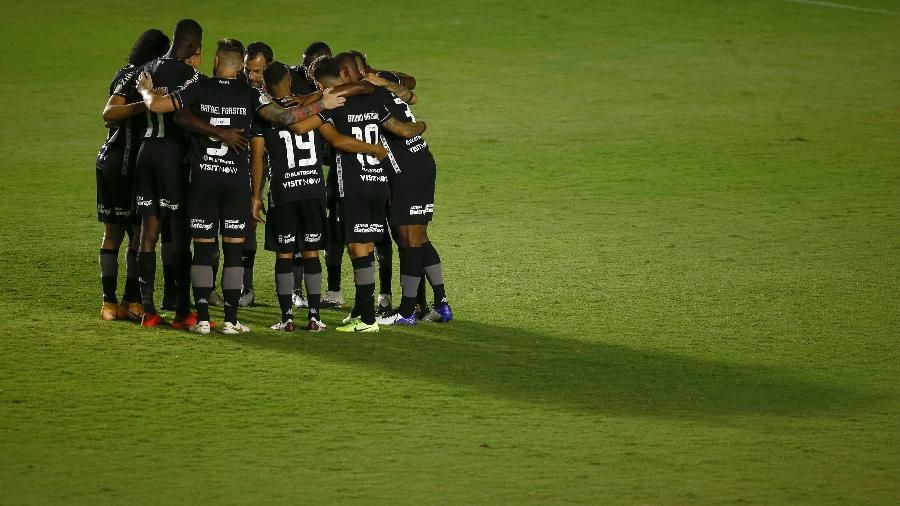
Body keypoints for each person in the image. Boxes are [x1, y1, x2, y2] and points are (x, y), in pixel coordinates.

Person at [138, 40, 348, 332]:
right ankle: (231, 320)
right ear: (239, 68)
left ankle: (201, 320)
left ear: (215, 62)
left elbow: (161, 106)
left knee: (203, 250)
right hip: (236, 184)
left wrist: (145, 90)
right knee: (234, 252)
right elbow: (286, 117)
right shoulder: (251, 95)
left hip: (202, 182)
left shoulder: (198, 86)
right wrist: (322, 103)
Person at [295, 53, 426, 332]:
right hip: (379, 182)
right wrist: (421, 127)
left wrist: (306, 105)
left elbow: (330, 137)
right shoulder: (375, 99)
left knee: (358, 249)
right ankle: (362, 312)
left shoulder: (332, 105)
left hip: (354, 185)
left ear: (325, 81)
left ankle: (366, 319)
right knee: (366, 247)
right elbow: (403, 129)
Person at [254, 62, 386, 331]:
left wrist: (255, 195)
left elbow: (257, 158)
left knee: (285, 256)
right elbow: (326, 135)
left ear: (265, 86)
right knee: (311, 251)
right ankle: (315, 317)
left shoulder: (266, 115)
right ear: (290, 81)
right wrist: (323, 101)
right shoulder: (316, 110)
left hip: (284, 193)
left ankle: (287, 318)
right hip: (314, 190)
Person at [96, 28, 170, 321]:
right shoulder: (142, 78)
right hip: (124, 164)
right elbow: (109, 113)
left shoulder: (123, 72)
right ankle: (128, 301)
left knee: (115, 233)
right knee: (139, 233)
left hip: (109, 160)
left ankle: (111, 304)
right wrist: (147, 101)